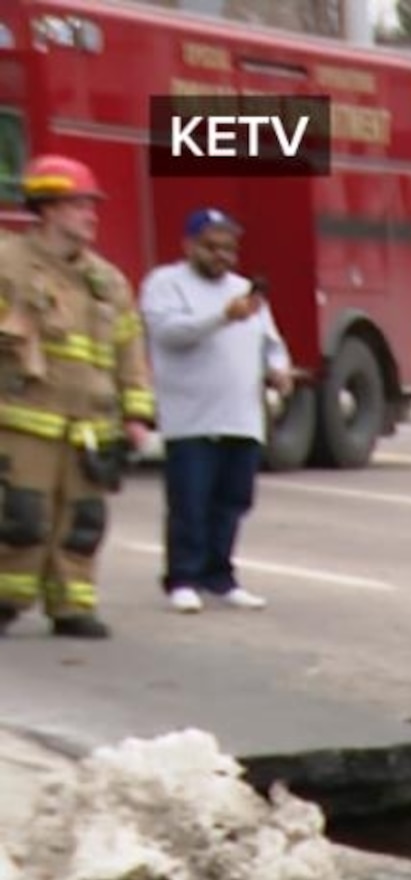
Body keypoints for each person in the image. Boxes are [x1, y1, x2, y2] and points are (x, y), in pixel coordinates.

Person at [0, 156, 157, 641]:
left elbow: (129, 351)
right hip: (26, 420)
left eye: (92, 205)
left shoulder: (107, 282)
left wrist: (137, 413)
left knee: (83, 522)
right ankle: (6, 600)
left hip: (91, 425)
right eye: (79, 204)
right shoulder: (8, 265)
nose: (92, 215)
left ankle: (72, 606)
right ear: (47, 209)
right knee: (22, 517)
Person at [141, 207, 292, 615]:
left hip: (241, 417)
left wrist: (279, 369)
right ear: (188, 245)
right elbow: (170, 334)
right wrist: (222, 317)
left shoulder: (245, 291)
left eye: (229, 248)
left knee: (232, 501)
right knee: (190, 501)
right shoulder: (165, 284)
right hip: (191, 418)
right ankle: (183, 578)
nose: (221, 255)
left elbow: (271, 342)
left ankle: (220, 576)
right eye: (211, 247)